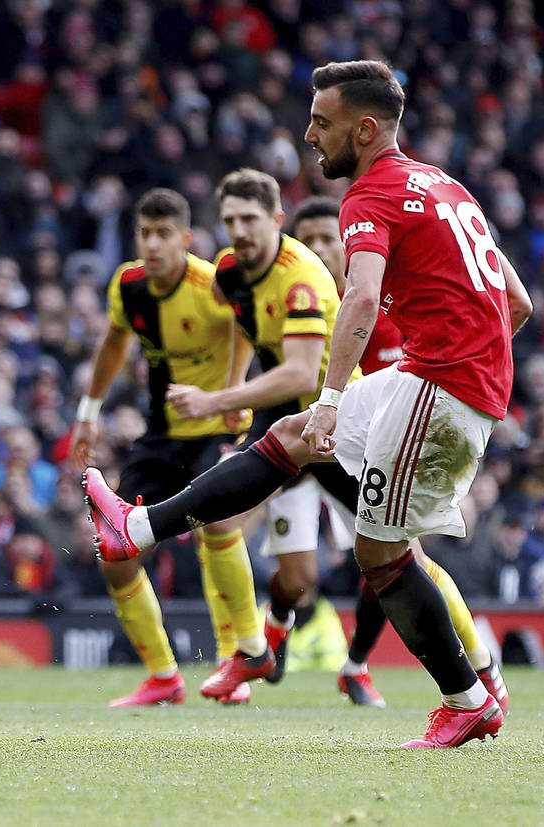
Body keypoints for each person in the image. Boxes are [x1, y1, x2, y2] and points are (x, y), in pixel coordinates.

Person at [86, 60, 532, 748]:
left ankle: (469, 694)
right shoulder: (446, 185)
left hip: (441, 382)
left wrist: (343, 395)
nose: (309, 134)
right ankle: (138, 528)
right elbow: (519, 303)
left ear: (364, 128)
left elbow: (357, 297)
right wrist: (477, 354)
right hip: (439, 374)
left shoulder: (370, 194)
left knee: (380, 551)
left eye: (322, 123)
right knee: (291, 434)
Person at [292, 196, 507, 710]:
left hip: (347, 441)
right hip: (308, 438)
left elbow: (404, 395)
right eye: (310, 241)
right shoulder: (284, 297)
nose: (321, 250)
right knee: (289, 564)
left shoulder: (377, 307)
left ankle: (448, 669)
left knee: (396, 551)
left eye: (330, 239)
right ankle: (263, 646)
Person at [164, 168, 364, 699]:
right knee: (226, 530)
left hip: (336, 431)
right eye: (229, 220)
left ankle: (471, 669)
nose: (239, 230)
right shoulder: (231, 272)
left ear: (275, 221)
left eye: (249, 219)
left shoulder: (303, 280)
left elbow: (302, 373)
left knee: (398, 555)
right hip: (282, 431)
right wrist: (233, 387)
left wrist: (216, 399)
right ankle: (253, 649)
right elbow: (245, 327)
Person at [70, 187, 265, 707]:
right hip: (161, 436)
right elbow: (114, 342)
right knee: (115, 551)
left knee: (218, 523)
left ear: (186, 239)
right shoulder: (130, 286)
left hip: (220, 429)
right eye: (144, 234)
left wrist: (229, 388)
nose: (152, 245)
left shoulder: (211, 285)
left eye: (163, 235)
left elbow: (247, 324)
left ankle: (240, 659)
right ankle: (163, 676)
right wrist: (88, 413)